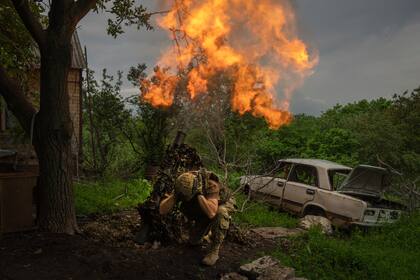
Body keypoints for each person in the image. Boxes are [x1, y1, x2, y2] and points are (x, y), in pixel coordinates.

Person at [159, 170, 234, 266]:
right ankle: (205, 227)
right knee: (194, 241)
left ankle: (214, 250)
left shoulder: (211, 184)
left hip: (221, 203)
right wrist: (175, 195)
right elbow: (162, 210)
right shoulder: (183, 182)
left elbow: (211, 213)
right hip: (205, 205)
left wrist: (199, 194)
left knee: (220, 212)